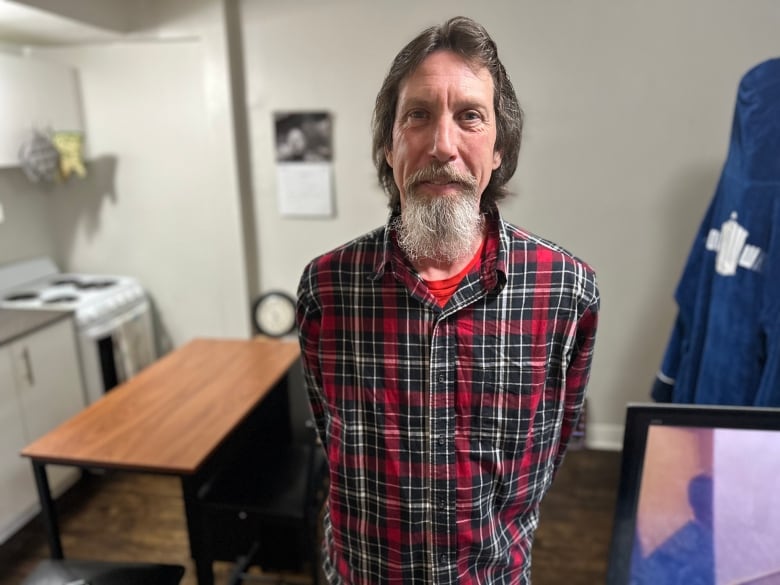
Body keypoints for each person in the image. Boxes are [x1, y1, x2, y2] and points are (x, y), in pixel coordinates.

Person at [296, 16, 600, 584]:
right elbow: (330, 437)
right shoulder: (326, 290)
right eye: (418, 115)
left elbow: (554, 449)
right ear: (389, 147)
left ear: (499, 150)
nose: (442, 145)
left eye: (469, 117)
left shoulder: (566, 294)